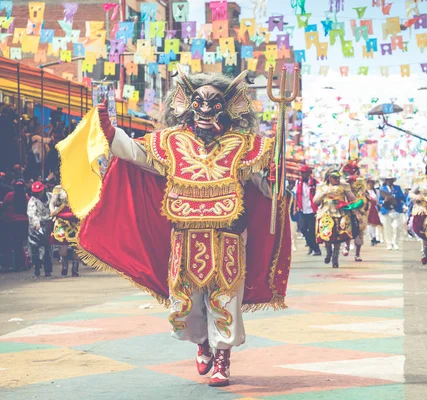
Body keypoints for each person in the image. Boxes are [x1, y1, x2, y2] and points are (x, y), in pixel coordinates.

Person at [57, 67, 292, 387]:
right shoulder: (170, 141)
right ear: (186, 104)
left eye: (214, 104)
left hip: (230, 233)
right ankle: (203, 343)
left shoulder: (244, 145)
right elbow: (136, 153)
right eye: (199, 103)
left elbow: (265, 186)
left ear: (228, 108)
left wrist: (277, 176)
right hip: (185, 231)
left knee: (225, 296)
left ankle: (222, 357)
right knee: (188, 298)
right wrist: (110, 131)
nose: (206, 111)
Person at [314, 169, 357, 268]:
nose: (337, 179)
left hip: (340, 213)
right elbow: (316, 201)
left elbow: (352, 199)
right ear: (329, 178)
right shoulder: (322, 186)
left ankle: (335, 258)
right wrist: (323, 193)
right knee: (326, 236)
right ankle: (328, 252)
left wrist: (351, 205)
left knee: (338, 238)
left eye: (338, 177)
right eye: (335, 177)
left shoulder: (344, 186)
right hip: (326, 214)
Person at [49, 186, 80, 277]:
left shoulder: (79, 186)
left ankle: (75, 268)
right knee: (62, 246)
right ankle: (64, 265)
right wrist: (52, 211)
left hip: (75, 220)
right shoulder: (58, 188)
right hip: (62, 221)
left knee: (76, 245)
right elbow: (52, 203)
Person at [341, 159, 368, 261]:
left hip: (358, 206)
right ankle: (346, 245)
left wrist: (358, 205)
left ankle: (357, 253)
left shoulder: (361, 182)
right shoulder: (342, 182)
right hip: (345, 205)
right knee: (345, 226)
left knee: (360, 229)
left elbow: (362, 194)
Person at [0, 179, 30, 272]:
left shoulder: (10, 195)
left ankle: (19, 264)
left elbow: (3, 206)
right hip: (23, 223)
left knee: (12, 244)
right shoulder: (26, 197)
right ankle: (22, 264)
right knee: (19, 244)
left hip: (11, 223)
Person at [27, 181, 53, 277]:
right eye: (36, 192)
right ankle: (37, 267)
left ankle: (48, 270)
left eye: (40, 192)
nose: (38, 194)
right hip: (35, 227)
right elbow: (32, 214)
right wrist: (36, 223)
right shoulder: (32, 201)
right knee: (34, 249)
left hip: (48, 225)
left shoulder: (51, 196)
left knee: (47, 248)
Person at [294, 165, 321, 256]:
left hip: (313, 210)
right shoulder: (298, 182)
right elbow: (296, 196)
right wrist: (295, 207)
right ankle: (311, 245)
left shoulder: (315, 183)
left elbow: (319, 196)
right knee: (303, 229)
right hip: (303, 209)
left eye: (305, 173)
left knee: (312, 231)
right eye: (301, 173)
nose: (303, 175)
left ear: (309, 173)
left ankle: (316, 249)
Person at [379, 176, 405, 250]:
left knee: (396, 227)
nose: (389, 181)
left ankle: (395, 243)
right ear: (385, 181)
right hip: (387, 210)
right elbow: (379, 200)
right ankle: (389, 243)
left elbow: (402, 197)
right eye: (387, 180)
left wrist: (394, 196)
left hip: (396, 209)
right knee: (387, 228)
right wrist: (384, 201)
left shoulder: (397, 188)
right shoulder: (382, 189)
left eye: (390, 180)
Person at [366, 178, 383, 246]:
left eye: (372, 183)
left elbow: (378, 200)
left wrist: (380, 205)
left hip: (374, 208)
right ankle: (372, 238)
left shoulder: (376, 191)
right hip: (368, 209)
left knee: (374, 224)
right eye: (369, 183)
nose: (371, 184)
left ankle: (374, 238)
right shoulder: (365, 192)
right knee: (369, 224)